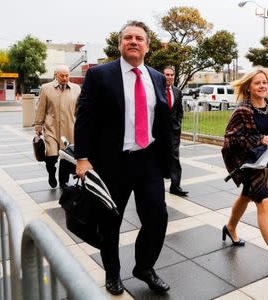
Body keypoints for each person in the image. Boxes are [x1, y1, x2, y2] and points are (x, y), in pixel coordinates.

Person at [74, 20, 173, 295]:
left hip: (148, 160)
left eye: (139, 38)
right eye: (128, 37)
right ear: (120, 44)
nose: (133, 41)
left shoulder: (156, 77)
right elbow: (85, 119)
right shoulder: (100, 75)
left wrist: (169, 162)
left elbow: (162, 122)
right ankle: (113, 273)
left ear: (147, 46)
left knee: (157, 217)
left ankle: (144, 267)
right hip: (111, 163)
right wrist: (82, 157)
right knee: (110, 222)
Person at [221, 66, 268, 278]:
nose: (262, 86)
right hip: (249, 164)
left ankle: (230, 227)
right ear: (249, 87)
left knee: (246, 195)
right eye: (257, 83)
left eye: (264, 82)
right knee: (263, 202)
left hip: (266, 161)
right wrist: (259, 139)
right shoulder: (242, 110)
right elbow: (230, 139)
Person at [34, 65, 80, 189]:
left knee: (66, 157)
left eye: (67, 75)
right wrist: (38, 126)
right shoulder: (46, 88)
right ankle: (51, 173)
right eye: (62, 75)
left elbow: (79, 110)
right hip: (51, 128)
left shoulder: (76, 89)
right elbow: (41, 108)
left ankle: (63, 182)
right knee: (51, 155)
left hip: (69, 128)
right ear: (56, 75)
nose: (65, 78)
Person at [163, 66, 188, 196]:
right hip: (159, 132)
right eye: (167, 74)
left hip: (173, 131)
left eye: (172, 75)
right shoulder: (156, 90)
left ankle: (175, 186)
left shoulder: (177, 91)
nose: (169, 77)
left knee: (175, 158)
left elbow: (179, 111)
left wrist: (178, 124)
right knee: (157, 159)